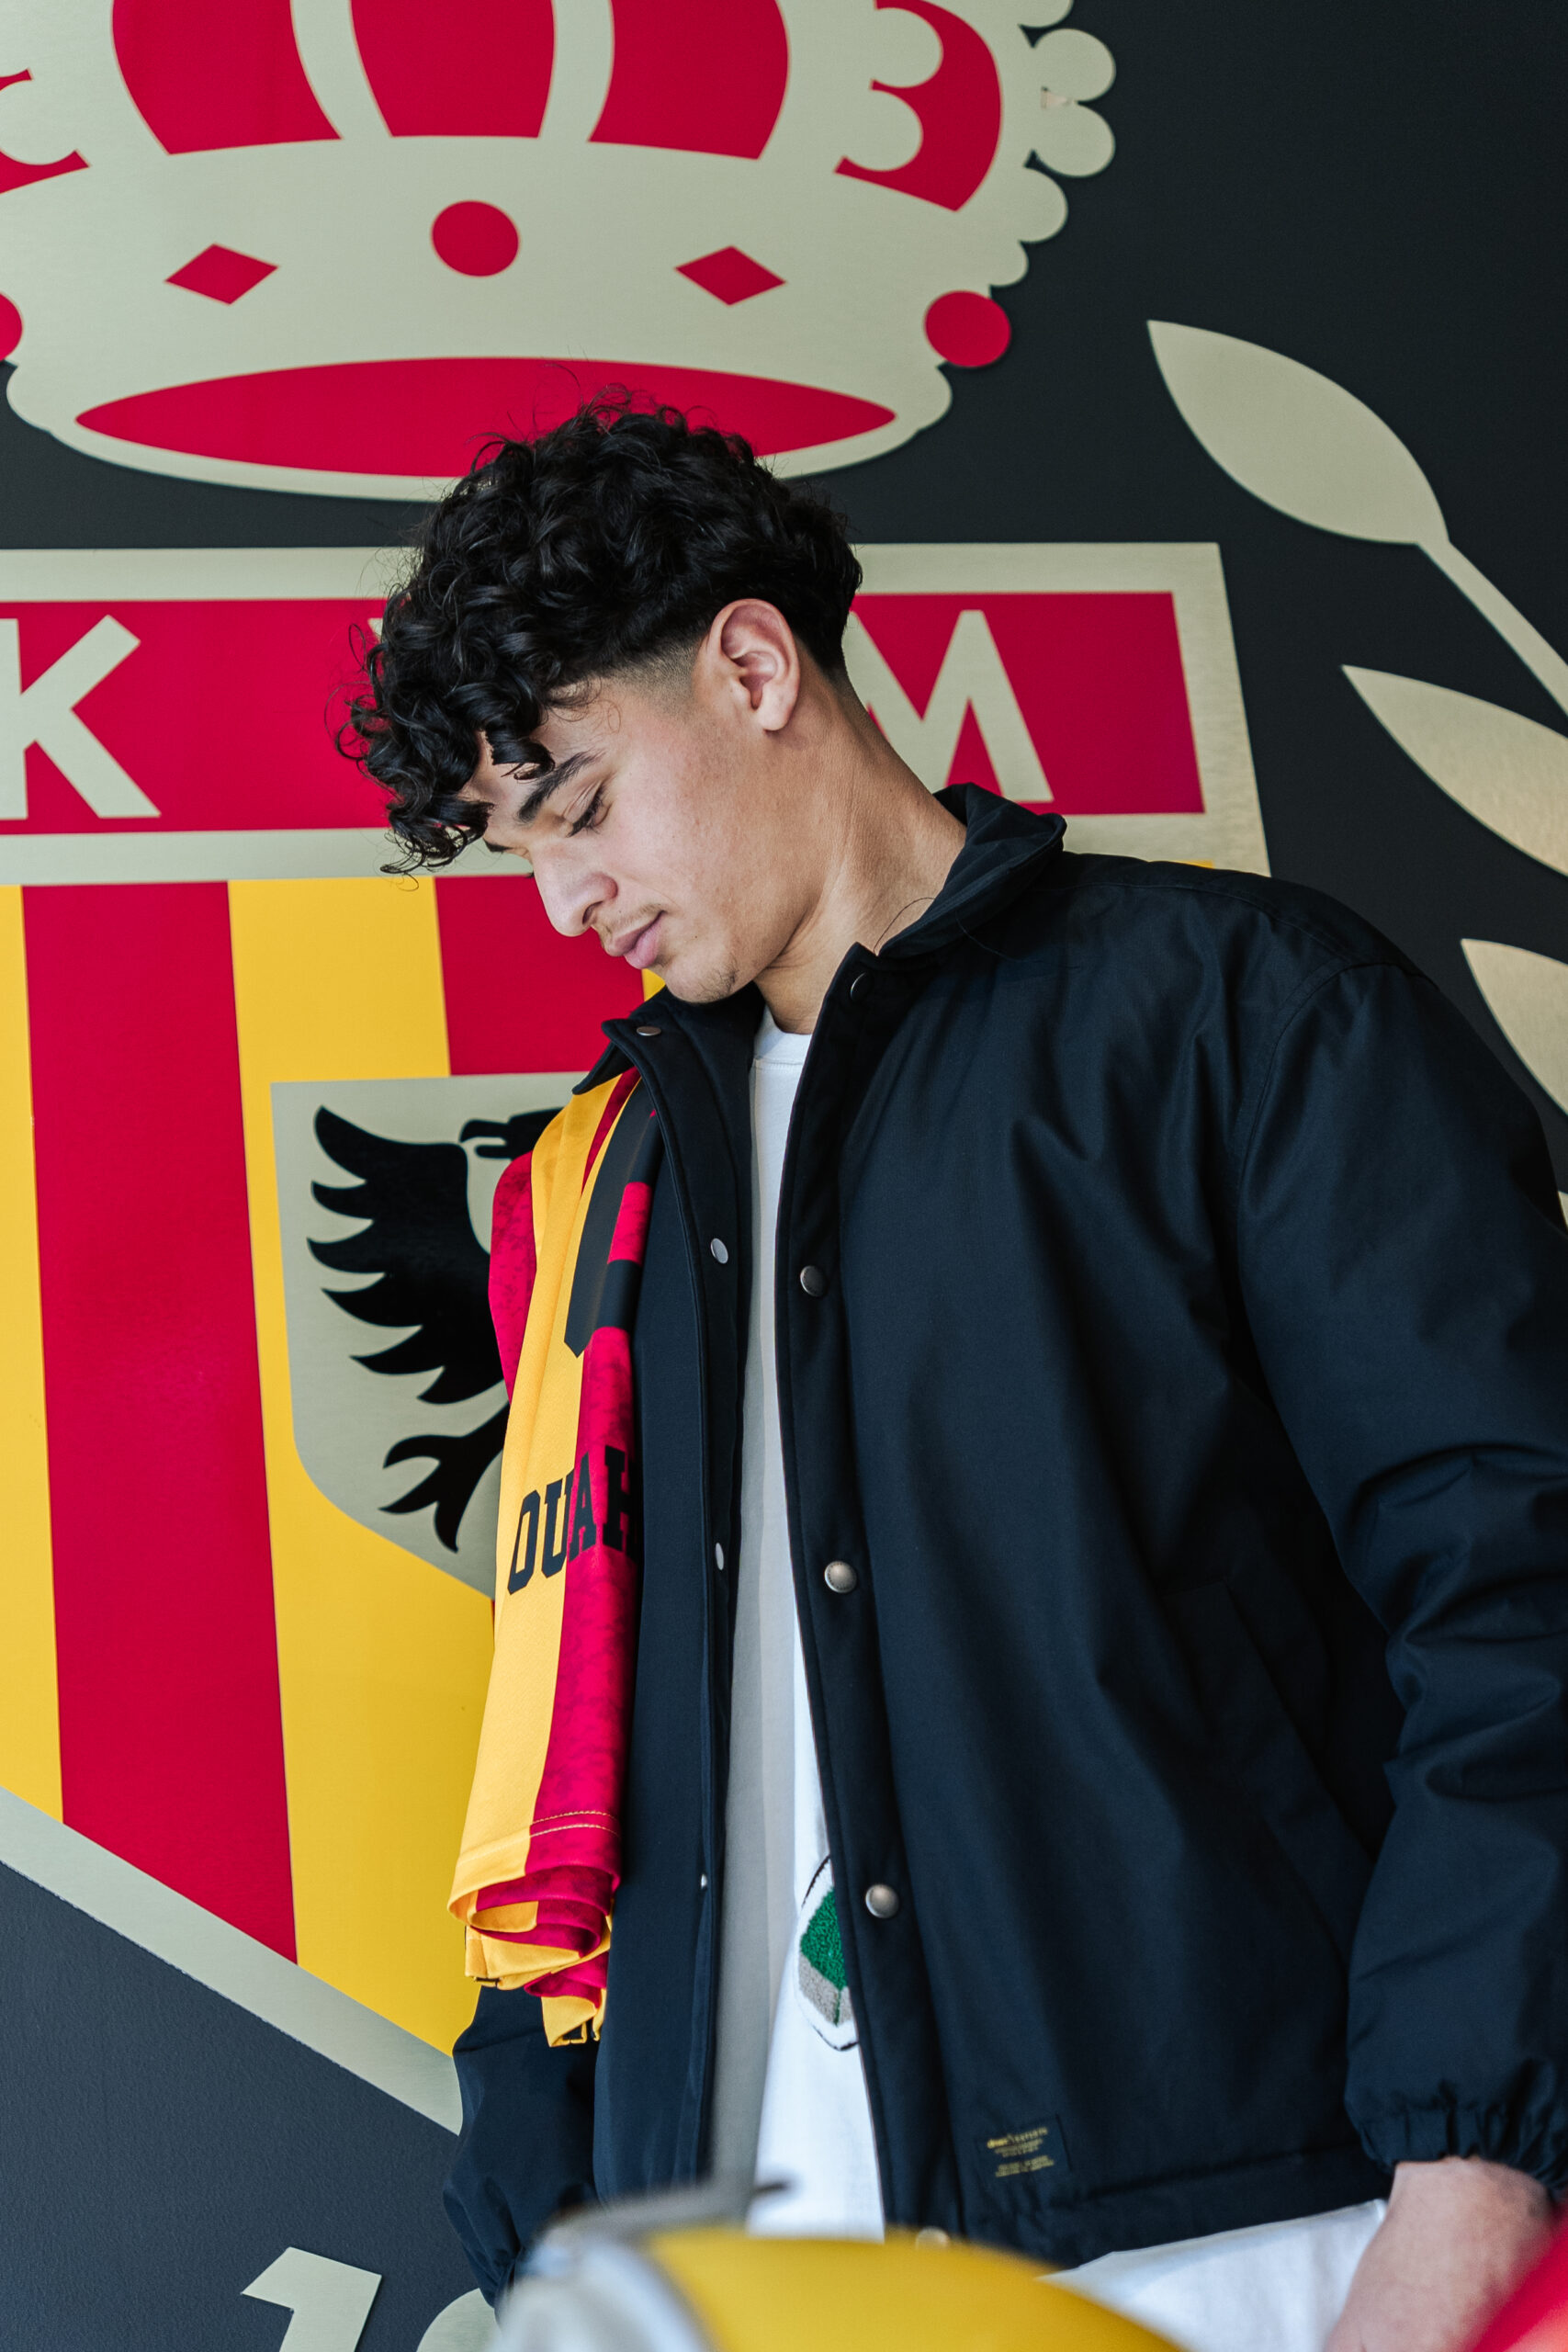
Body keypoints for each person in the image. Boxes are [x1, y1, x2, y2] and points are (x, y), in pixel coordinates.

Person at [346, 398, 1567, 2352]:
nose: (562, 900)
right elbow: (564, 1739)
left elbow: (1515, 1592)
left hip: (1233, 2232)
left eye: (575, 806)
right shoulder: (602, 1177)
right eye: (518, 849)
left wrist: (1468, 2174)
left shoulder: (1243, 1013)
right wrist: (555, 2214)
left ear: (754, 668)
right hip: (731, 2273)